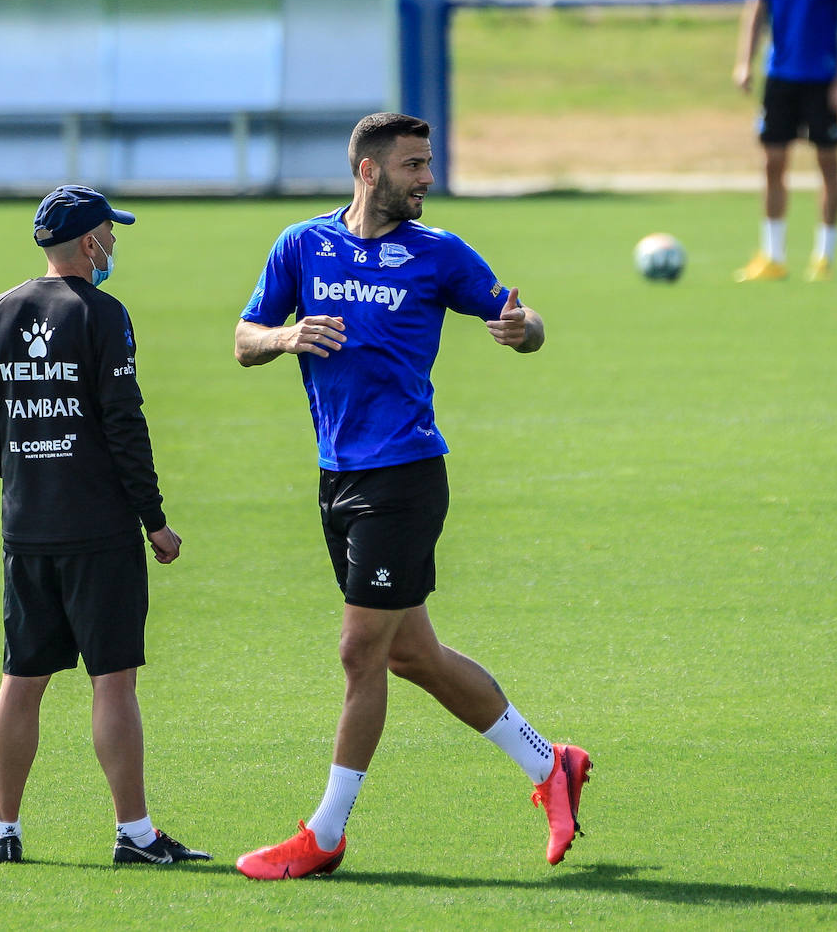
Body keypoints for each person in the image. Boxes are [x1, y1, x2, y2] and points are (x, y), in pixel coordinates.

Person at [231, 113, 591, 880]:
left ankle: (324, 833)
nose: (428, 176)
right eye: (415, 164)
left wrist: (524, 329)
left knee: (360, 650)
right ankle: (550, 763)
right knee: (411, 653)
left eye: (429, 163)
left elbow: (525, 323)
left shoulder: (439, 254)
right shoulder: (302, 245)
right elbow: (243, 338)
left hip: (406, 476)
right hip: (338, 478)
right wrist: (286, 337)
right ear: (369, 171)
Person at [0, 184, 209, 866]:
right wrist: (154, 520)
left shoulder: (0, 311)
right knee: (114, 677)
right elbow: (124, 424)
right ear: (88, 243)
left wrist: (24, 474)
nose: (116, 244)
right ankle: (135, 833)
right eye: (111, 233)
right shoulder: (103, 314)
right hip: (99, 529)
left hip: (27, 529)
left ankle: (4, 831)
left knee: (23, 677)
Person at [733, 0, 837, 282]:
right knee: (772, 162)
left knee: (827, 162)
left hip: (822, 78)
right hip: (780, 77)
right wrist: (744, 62)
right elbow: (756, 9)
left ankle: (824, 256)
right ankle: (773, 256)